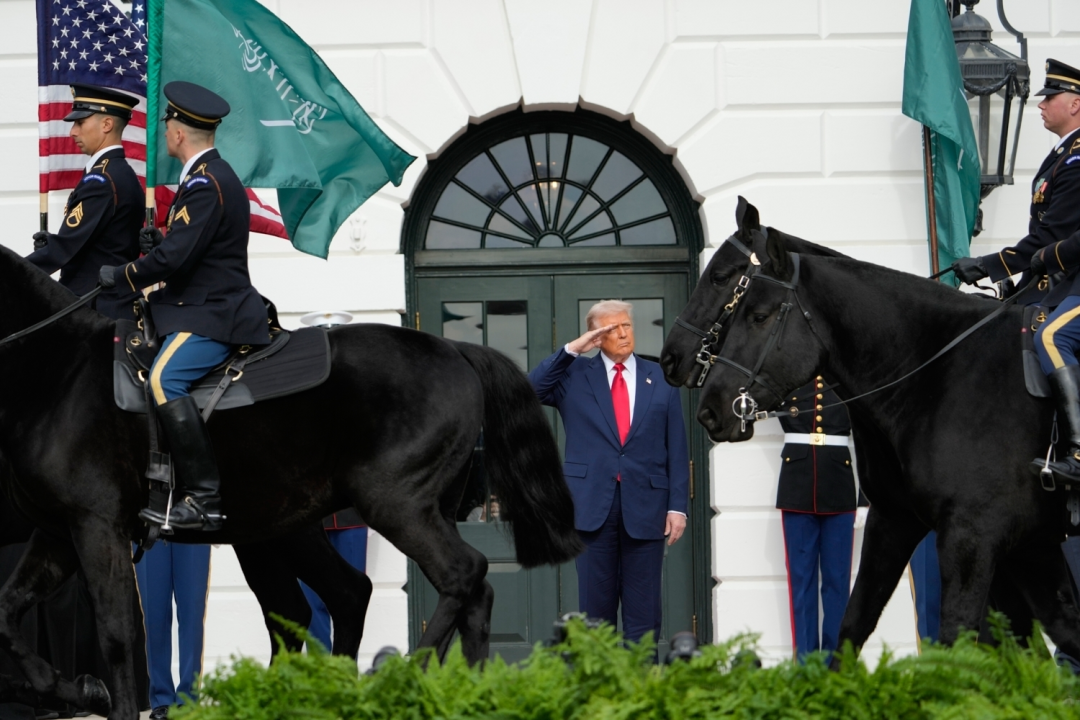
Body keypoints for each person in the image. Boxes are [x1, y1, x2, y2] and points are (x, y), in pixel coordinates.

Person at [98, 81, 270, 531]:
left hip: (213, 312)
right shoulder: (204, 178)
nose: (166, 129)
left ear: (178, 133)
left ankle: (204, 499)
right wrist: (162, 243)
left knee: (163, 378)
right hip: (196, 303)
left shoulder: (206, 183)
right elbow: (186, 249)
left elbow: (176, 259)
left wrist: (122, 275)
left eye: (169, 122)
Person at [528, 300, 689, 650]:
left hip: (647, 507)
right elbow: (531, 389)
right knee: (596, 614)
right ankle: (601, 690)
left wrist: (678, 506)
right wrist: (572, 350)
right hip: (590, 508)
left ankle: (643, 689)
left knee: (644, 612)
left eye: (627, 325)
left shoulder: (660, 377)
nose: (622, 333)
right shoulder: (573, 376)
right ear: (596, 336)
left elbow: (676, 447)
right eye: (612, 328)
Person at [952, 59, 1080, 297]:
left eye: (1050, 98)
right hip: (1045, 283)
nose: (1041, 105)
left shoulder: (1076, 160)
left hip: (1065, 289)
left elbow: (1054, 235)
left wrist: (987, 265)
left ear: (1075, 104)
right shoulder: (1065, 153)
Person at [26, 84, 142, 320]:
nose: (72, 132)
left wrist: (14, 271)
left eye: (80, 123)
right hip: (102, 304)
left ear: (107, 125)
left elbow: (65, 248)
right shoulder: (115, 173)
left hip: (95, 309)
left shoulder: (102, 179)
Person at [776, 377, 867, 660]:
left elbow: (867, 440)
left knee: (837, 583)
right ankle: (805, 665)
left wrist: (865, 497)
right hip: (797, 485)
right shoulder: (787, 376)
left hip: (839, 487)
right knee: (800, 583)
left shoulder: (847, 378)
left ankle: (835, 664)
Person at [133, 541, 211, 720]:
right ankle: (162, 700)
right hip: (149, 524)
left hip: (193, 524)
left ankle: (188, 699)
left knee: (192, 616)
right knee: (154, 618)